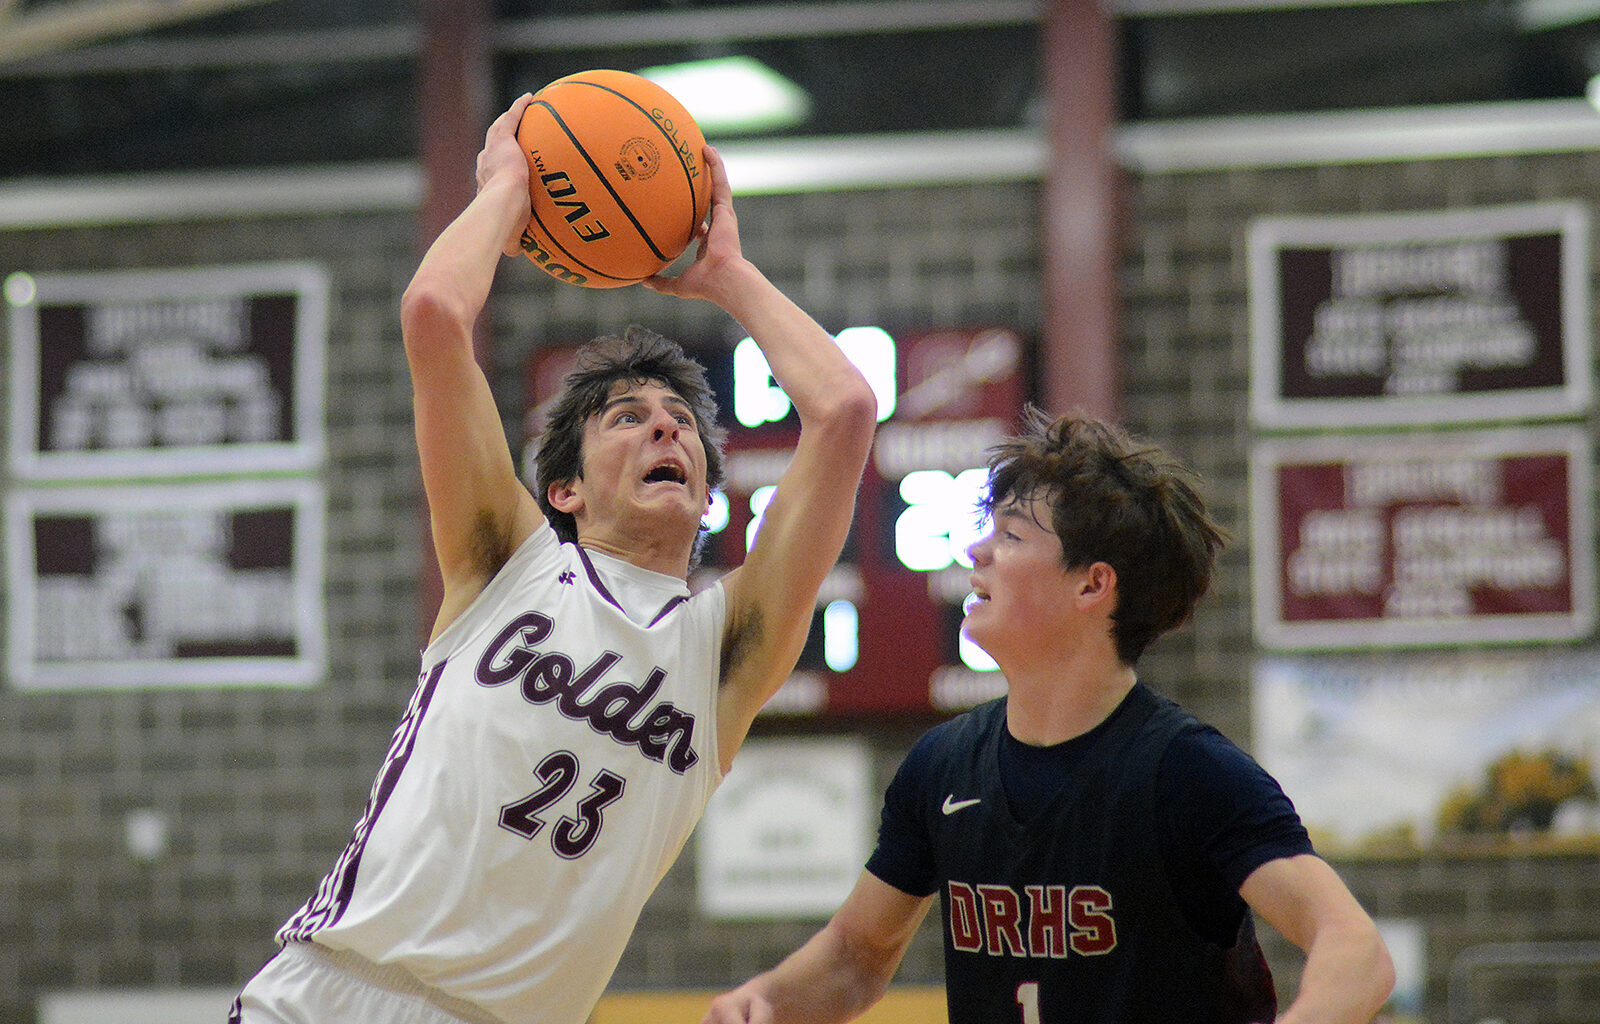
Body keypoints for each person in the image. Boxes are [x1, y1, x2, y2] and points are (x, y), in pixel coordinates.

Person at [229, 92, 878, 1024]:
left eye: (683, 425)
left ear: (705, 493)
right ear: (563, 490)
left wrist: (727, 274)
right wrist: (506, 187)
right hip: (333, 994)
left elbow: (846, 412)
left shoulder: (724, 649)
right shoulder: (508, 563)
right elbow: (433, 312)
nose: (665, 425)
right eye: (629, 419)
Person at [702, 410, 1396, 1024]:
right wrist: (762, 1001)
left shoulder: (1189, 772)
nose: (976, 552)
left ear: (1093, 584)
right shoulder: (941, 766)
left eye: (1009, 535)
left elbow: (1356, 951)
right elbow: (855, 959)